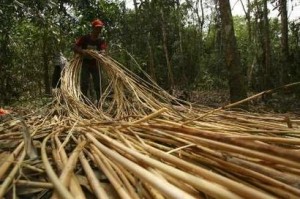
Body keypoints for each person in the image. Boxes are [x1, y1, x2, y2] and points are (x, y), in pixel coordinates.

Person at [74, 19, 107, 104]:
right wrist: (82, 51)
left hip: (96, 65)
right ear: (93, 28)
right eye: (97, 28)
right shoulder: (85, 38)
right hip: (85, 64)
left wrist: (100, 54)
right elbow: (75, 47)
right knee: (84, 83)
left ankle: (100, 103)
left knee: (98, 84)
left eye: (100, 29)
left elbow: (103, 51)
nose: (98, 30)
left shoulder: (100, 40)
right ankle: (84, 102)